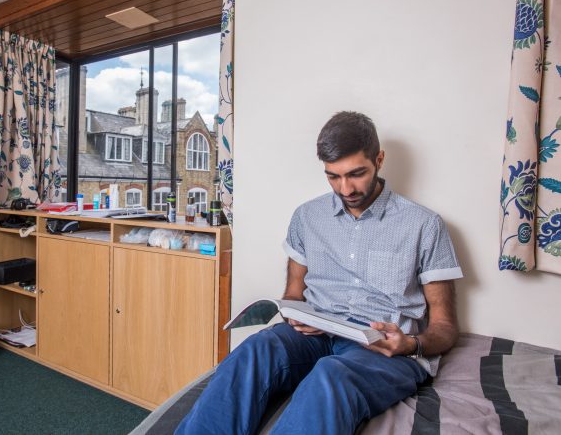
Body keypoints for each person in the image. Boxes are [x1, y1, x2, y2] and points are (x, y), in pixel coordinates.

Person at [176, 111, 462, 435]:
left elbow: (445, 327)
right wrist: (294, 314)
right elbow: (294, 293)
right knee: (255, 350)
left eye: (357, 174)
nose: (346, 188)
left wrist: (410, 344)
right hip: (314, 336)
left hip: (382, 351)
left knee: (331, 375)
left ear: (379, 160)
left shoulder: (424, 225)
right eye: (333, 176)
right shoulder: (307, 217)